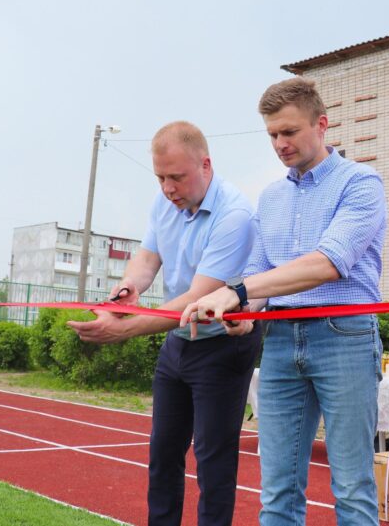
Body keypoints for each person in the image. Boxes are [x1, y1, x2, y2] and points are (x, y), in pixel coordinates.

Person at [182, 77, 387, 526]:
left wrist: (237, 292)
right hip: (278, 340)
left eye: (289, 132)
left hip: (345, 337)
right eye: (272, 134)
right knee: (276, 491)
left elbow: (329, 262)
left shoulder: (362, 183)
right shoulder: (271, 197)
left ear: (322, 124)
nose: (280, 143)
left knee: (352, 488)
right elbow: (258, 274)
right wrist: (243, 314)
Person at [68, 121, 259, 526]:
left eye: (177, 177)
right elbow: (147, 259)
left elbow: (197, 299)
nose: (168, 188)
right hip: (179, 341)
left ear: (206, 165)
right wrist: (127, 290)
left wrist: (122, 330)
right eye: (160, 177)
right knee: (163, 454)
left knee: (213, 460)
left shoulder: (236, 214)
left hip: (223, 345)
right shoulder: (164, 203)